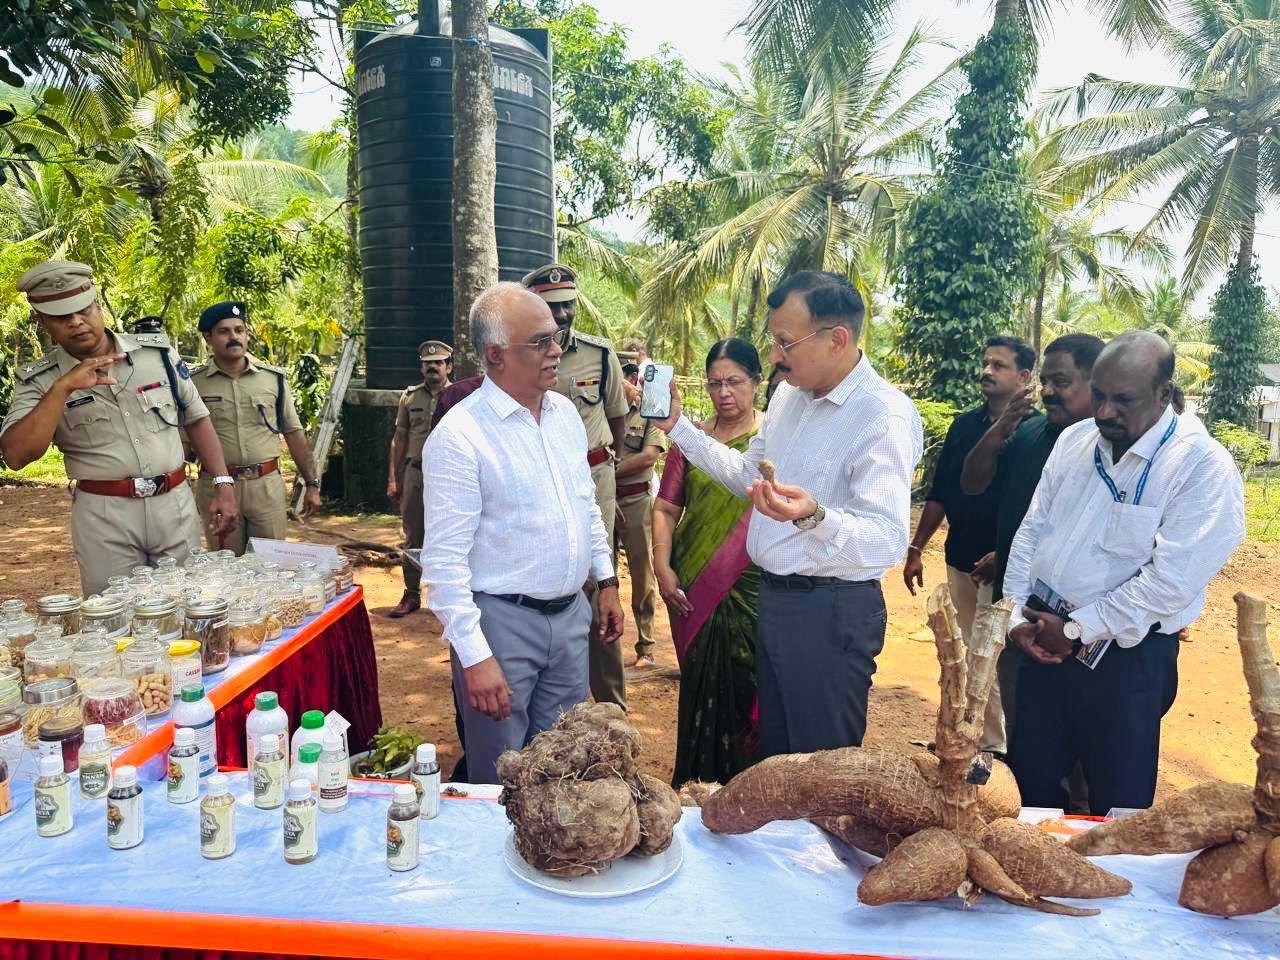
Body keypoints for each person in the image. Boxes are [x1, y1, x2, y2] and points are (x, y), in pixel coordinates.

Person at [654, 271, 922, 757]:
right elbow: (747, 473)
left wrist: (815, 516)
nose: (775, 356)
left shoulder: (882, 415)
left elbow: (885, 540)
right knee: (777, 756)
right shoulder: (788, 398)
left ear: (836, 340)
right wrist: (680, 429)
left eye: (785, 342)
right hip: (776, 600)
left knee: (819, 766)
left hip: (829, 611)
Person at [1003, 331, 1245, 814]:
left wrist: (1075, 630)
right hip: (1039, 639)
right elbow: (1032, 530)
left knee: (1116, 809)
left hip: (1123, 662)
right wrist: (1015, 618)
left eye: (1123, 400)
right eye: (1098, 395)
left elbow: (1169, 583)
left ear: (1163, 393)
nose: (1105, 412)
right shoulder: (1075, 441)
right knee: (1029, 792)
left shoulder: (1200, 466)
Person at [421, 282, 625, 785]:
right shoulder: (460, 436)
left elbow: (585, 506)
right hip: (501, 625)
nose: (557, 350)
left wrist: (606, 581)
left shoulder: (564, 416)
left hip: (570, 618)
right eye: (540, 342)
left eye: (556, 337)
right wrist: (476, 656)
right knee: (501, 780)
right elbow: (443, 564)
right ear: (495, 355)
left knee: (561, 770)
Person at [0, 260, 239, 594]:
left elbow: (197, 419)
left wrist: (223, 484)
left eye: (83, 310)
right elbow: (16, 456)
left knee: (188, 603)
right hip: (104, 516)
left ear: (98, 305)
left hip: (173, 504)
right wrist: (62, 389)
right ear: (42, 322)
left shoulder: (157, 355)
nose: (76, 322)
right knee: (114, 613)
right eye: (61, 317)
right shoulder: (40, 380)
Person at [960, 334, 1105, 757]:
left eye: (1062, 382)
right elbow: (973, 483)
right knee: (1025, 730)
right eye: (1045, 381)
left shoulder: (1110, 450)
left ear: (1097, 383)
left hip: (1078, 628)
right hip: (1016, 610)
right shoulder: (1029, 431)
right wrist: (1001, 428)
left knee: (1079, 744)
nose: (1048, 392)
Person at [903, 335, 1034, 753]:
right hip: (961, 557)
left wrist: (1006, 553)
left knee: (994, 654)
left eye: (999, 365)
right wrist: (916, 548)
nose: (986, 371)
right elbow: (941, 492)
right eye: (986, 363)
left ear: (1024, 377)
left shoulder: (1036, 433)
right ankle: (970, 737)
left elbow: (1040, 508)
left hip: (1008, 569)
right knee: (964, 652)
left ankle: (995, 746)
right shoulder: (964, 426)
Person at [653, 338, 764, 786]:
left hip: (752, 585)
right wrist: (662, 565)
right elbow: (665, 508)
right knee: (700, 684)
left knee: (749, 686)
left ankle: (749, 790)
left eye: (734, 382)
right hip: (695, 583)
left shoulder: (772, 441)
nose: (724, 393)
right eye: (715, 383)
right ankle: (696, 785)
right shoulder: (690, 439)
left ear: (756, 382)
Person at [522, 263, 630, 708]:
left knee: (600, 584)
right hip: (539, 485)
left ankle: (611, 704)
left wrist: (606, 471)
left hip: (594, 480)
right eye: (553, 307)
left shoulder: (599, 355)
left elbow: (617, 419)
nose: (563, 314)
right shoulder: (520, 356)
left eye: (568, 304)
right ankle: (560, 702)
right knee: (554, 579)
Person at [190, 301, 321, 555]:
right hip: (217, 487)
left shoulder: (273, 380)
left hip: (266, 487)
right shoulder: (194, 384)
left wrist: (312, 484)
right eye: (224, 331)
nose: (234, 337)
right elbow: (184, 439)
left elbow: (293, 434)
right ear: (208, 337)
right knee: (226, 563)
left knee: (271, 563)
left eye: (239, 330)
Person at [386, 340, 454, 618]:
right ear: (421, 368)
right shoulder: (410, 398)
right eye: (428, 364)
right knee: (414, 534)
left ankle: (450, 598)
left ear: (449, 366)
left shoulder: (461, 397)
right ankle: (411, 593)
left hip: (449, 475)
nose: (433, 367)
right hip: (416, 472)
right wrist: (394, 478)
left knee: (451, 535)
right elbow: (399, 439)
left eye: (438, 363)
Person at [616, 361, 666, 669]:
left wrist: (606, 471)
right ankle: (600, 645)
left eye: (623, 376)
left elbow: (648, 457)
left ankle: (646, 646)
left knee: (642, 573)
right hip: (603, 500)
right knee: (599, 573)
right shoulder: (603, 411)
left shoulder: (651, 411)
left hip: (635, 501)